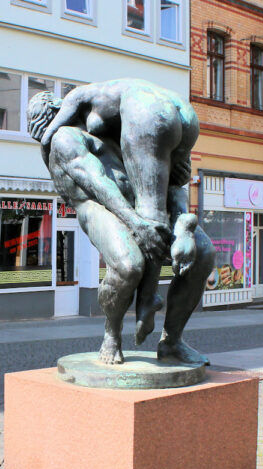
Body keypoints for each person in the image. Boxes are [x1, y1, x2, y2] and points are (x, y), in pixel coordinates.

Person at [28, 90, 215, 365]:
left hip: (143, 207)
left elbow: (168, 180)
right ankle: (112, 334)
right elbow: (97, 182)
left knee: (204, 253)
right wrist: (136, 223)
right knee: (129, 266)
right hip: (100, 207)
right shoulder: (64, 138)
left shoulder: (117, 132)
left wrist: (181, 207)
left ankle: (172, 342)